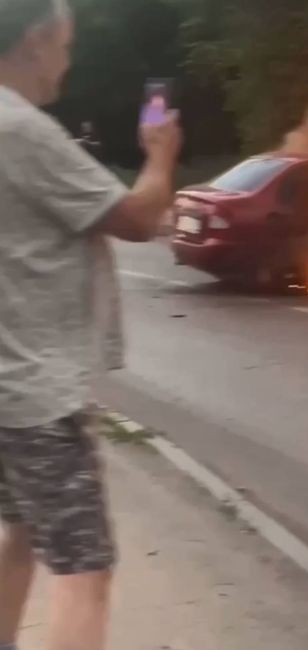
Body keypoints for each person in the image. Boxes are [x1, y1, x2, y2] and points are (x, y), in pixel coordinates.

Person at [0, 1, 181, 649]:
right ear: (36, 40)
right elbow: (136, 219)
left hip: (8, 387)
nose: (67, 62)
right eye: (65, 44)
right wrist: (160, 155)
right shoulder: (21, 130)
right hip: (37, 394)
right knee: (85, 570)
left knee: (22, 535)